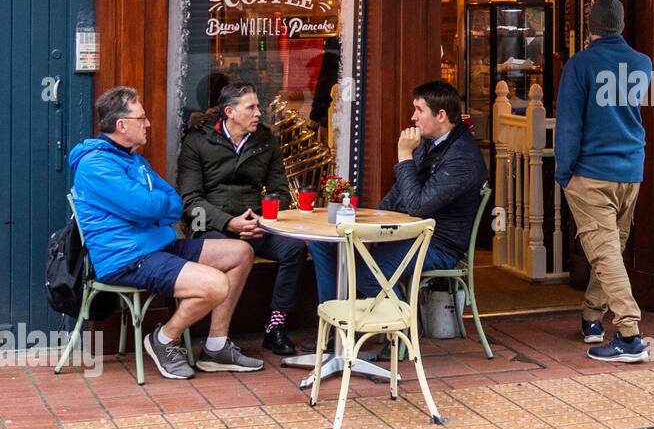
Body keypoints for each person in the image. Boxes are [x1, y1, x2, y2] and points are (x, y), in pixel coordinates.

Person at [69, 86, 263, 380]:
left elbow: (174, 201)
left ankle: (216, 347)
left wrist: (154, 207)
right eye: (142, 118)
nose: (147, 124)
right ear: (122, 125)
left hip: (156, 247)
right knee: (215, 285)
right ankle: (162, 339)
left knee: (241, 252)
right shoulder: (95, 165)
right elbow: (144, 206)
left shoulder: (134, 160)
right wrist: (153, 207)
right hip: (126, 258)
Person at [308, 80, 486, 302]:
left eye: (419, 110)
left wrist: (404, 155)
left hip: (438, 245)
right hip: (408, 234)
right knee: (323, 244)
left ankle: (406, 328)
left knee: (368, 277)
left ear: (441, 115)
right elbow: (400, 190)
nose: (413, 117)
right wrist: (370, 222)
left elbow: (417, 205)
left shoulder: (462, 159)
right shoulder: (432, 142)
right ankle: (336, 322)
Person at [555, 0, 653, 363]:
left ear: (590, 27)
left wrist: (564, 174)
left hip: (591, 173)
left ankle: (629, 335)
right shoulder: (643, 63)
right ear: (622, 24)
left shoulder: (580, 65)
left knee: (606, 253)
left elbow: (569, 124)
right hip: (631, 170)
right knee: (610, 249)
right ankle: (592, 317)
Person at [177, 82, 307, 355]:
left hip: (255, 224)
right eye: (251, 107)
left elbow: (280, 192)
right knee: (238, 251)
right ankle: (212, 338)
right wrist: (227, 222)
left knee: (294, 248)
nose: (259, 112)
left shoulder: (265, 140)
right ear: (230, 112)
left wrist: (261, 219)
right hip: (211, 224)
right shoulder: (197, 140)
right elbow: (190, 200)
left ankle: (275, 327)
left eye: (258, 106)